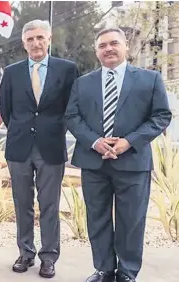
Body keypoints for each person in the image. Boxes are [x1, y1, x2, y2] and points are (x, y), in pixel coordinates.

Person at [65, 27, 171, 282]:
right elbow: (71, 116)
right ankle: (103, 269)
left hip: (133, 162)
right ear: (96, 51)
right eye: (102, 45)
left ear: (126, 47)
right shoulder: (83, 83)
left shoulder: (150, 79)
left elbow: (161, 116)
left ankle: (127, 272)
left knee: (131, 221)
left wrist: (128, 142)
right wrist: (95, 141)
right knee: (97, 218)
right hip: (94, 162)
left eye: (114, 43)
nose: (108, 49)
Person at [0, 19, 79, 279]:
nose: (36, 43)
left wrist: (52, 130)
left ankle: (49, 257)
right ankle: (25, 253)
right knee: (22, 203)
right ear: (24, 44)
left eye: (40, 38)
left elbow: (71, 107)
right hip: (19, 147)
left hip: (51, 146)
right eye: (30, 39)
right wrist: (23, 130)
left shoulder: (67, 70)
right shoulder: (12, 72)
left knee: (50, 204)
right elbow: (6, 110)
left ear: (49, 39)